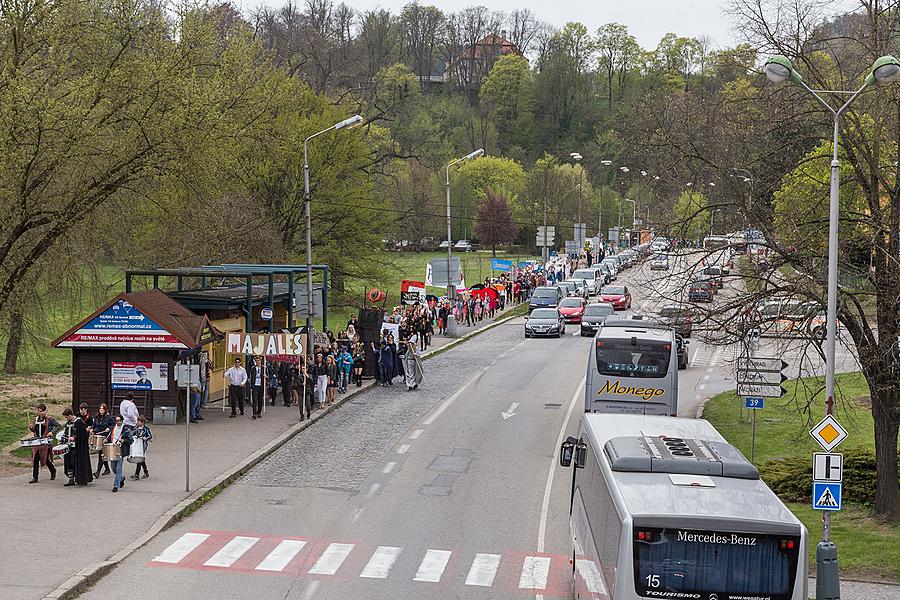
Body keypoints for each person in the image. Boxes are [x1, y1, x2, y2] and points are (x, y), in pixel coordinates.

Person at [27, 403, 57, 484]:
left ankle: (53, 470)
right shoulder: (36, 419)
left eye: (43, 411)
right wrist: (31, 427)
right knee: (36, 459)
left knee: (45, 459)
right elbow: (35, 430)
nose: (42, 413)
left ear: (46, 411)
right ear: (38, 412)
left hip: (46, 443)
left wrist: (52, 432)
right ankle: (35, 477)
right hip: (37, 443)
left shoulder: (50, 419)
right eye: (40, 411)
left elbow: (58, 426)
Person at [65, 406, 93, 486]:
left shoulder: (79, 422)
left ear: (70, 415)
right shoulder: (68, 423)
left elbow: (82, 434)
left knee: (75, 461)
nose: (66, 419)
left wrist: (74, 437)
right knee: (68, 461)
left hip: (78, 446)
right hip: (69, 445)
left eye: (66, 417)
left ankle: (82, 479)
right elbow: (66, 432)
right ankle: (71, 479)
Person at [107, 415, 133, 492]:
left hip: (120, 449)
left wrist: (124, 441)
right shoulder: (113, 428)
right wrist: (106, 440)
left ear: (122, 421)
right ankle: (121, 478)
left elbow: (131, 440)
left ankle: (116, 485)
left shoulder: (126, 429)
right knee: (113, 467)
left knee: (118, 468)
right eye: (116, 420)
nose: (117, 422)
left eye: (119, 420)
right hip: (113, 448)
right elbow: (110, 437)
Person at [92, 403, 114, 478]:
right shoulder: (96, 417)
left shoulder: (109, 418)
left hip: (105, 438)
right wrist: (92, 429)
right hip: (98, 436)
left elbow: (114, 426)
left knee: (101, 454)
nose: (101, 410)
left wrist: (109, 428)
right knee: (102, 454)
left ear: (105, 410)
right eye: (100, 408)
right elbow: (94, 425)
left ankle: (97, 472)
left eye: (103, 408)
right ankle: (107, 469)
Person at [130, 415, 152, 480]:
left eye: (139, 421)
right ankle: (146, 472)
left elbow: (150, 436)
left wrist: (145, 438)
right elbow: (132, 434)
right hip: (137, 445)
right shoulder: (136, 428)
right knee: (141, 459)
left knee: (139, 459)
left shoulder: (146, 429)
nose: (138, 423)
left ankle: (137, 474)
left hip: (143, 445)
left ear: (142, 422)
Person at [248, 356, 265, 420]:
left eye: (259, 361)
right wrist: (251, 383)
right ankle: (254, 413)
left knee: (260, 399)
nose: (257, 362)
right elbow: (251, 376)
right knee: (254, 400)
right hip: (255, 385)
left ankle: (259, 412)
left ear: (261, 361)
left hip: (261, 385)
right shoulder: (253, 368)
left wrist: (266, 377)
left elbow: (268, 376)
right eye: (256, 361)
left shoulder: (264, 368)